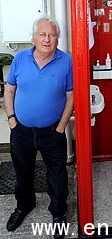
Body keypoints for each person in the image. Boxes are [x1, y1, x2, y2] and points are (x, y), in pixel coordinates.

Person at [4, 16, 73, 239]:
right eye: (43, 34)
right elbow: (9, 90)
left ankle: (58, 213)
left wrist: (62, 126)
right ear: (33, 38)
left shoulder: (66, 61)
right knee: (22, 174)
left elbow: (71, 96)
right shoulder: (20, 59)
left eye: (52, 35)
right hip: (21, 131)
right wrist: (12, 120)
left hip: (53, 132)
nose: (47, 39)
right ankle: (24, 205)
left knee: (57, 176)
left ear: (57, 39)